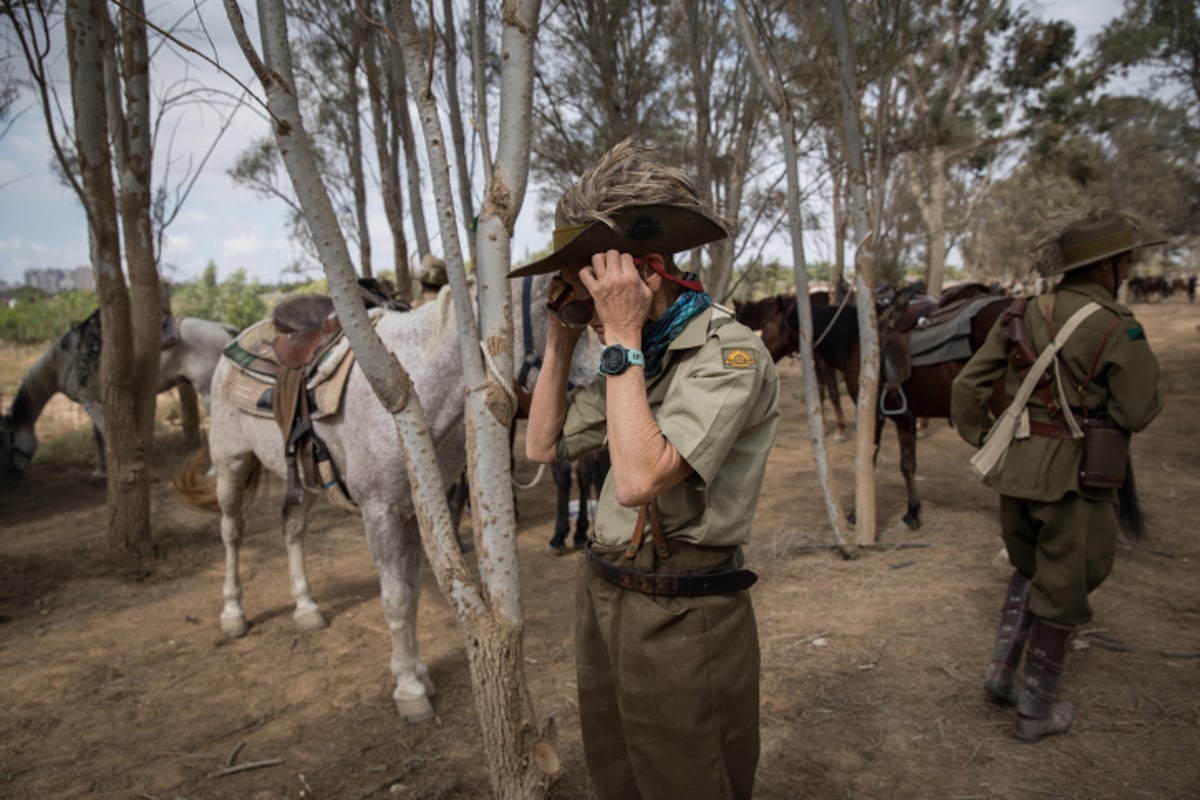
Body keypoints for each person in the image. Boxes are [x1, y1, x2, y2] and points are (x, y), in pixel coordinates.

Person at [513, 140, 779, 799]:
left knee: (689, 777)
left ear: (648, 270)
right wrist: (562, 333)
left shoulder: (728, 352)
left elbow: (638, 481)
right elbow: (543, 444)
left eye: (593, 278)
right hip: (605, 593)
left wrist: (622, 339)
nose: (586, 295)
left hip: (683, 610)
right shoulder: (638, 356)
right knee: (617, 769)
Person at [951, 208, 1164, 744]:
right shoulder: (1117, 325)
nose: (1131, 269)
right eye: (1126, 261)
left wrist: (990, 441)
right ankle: (1034, 714)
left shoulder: (1020, 313)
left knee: (1028, 566)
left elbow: (965, 389)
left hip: (1017, 470)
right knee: (1068, 585)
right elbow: (1138, 411)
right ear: (1105, 267)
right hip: (1077, 477)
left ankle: (1002, 675)